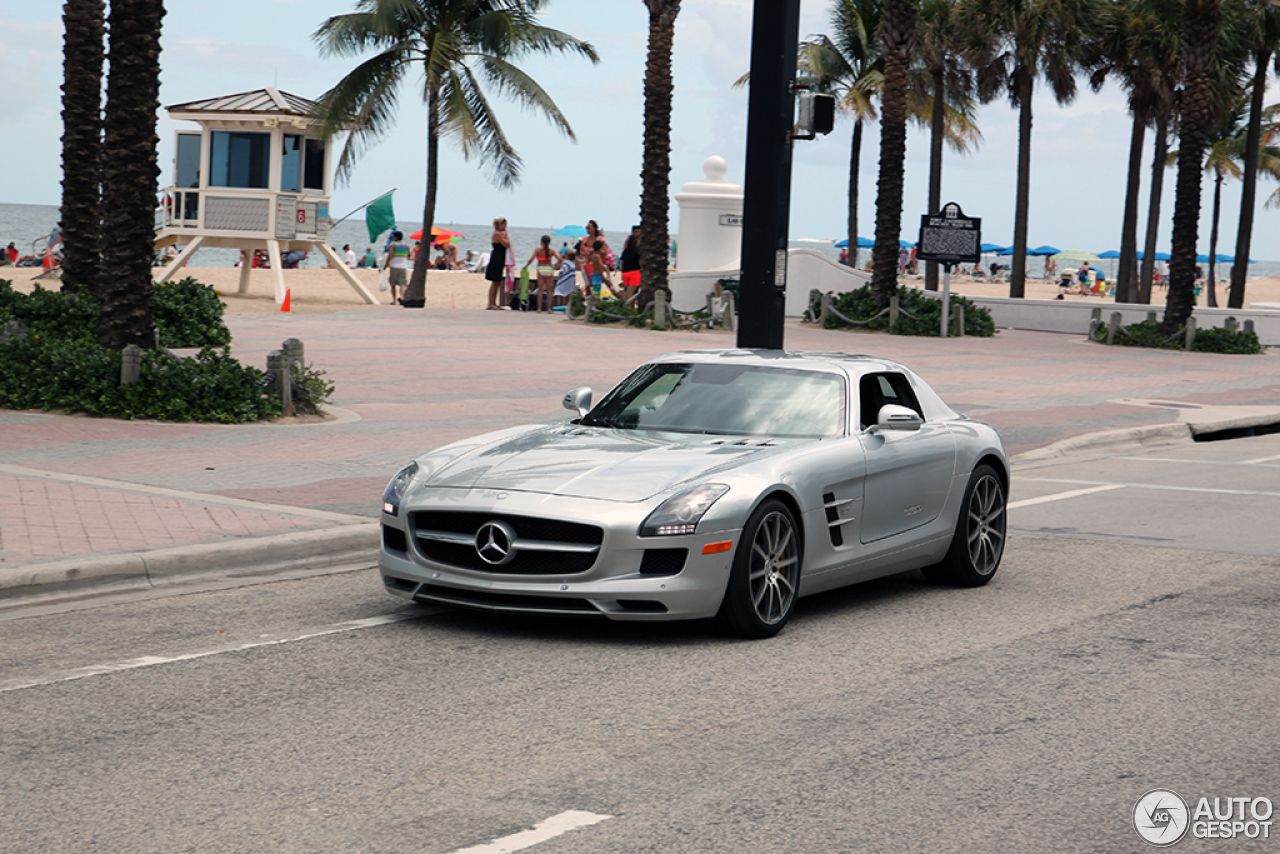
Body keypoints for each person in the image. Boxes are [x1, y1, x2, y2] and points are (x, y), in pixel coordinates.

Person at [522, 235, 561, 313]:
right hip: (549, 269)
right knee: (549, 290)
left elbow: (531, 259)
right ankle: (549, 309)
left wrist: (526, 266)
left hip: (541, 268)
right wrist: (555, 266)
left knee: (540, 289)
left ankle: (539, 308)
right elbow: (560, 259)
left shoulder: (538, 250)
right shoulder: (551, 251)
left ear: (541, 242)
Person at [485, 217, 511, 310]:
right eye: (504, 224)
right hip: (496, 259)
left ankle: (494, 303)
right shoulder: (497, 234)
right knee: (495, 282)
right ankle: (490, 303)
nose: (505, 226)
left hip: (500, 259)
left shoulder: (501, 234)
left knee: (498, 282)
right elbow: (506, 244)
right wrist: (507, 236)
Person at [384, 230, 410, 305]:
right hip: (403, 267)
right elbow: (408, 256)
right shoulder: (407, 246)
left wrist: (385, 266)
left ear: (395, 237)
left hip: (394, 266)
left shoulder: (392, 245)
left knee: (393, 284)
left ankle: (394, 301)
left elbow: (390, 256)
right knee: (403, 283)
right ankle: (401, 297)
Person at [619, 232, 640, 300]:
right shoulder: (637, 251)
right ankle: (627, 308)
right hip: (634, 273)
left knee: (627, 292)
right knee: (630, 294)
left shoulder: (625, 251)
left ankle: (630, 307)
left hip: (625, 273)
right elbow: (640, 262)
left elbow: (622, 263)